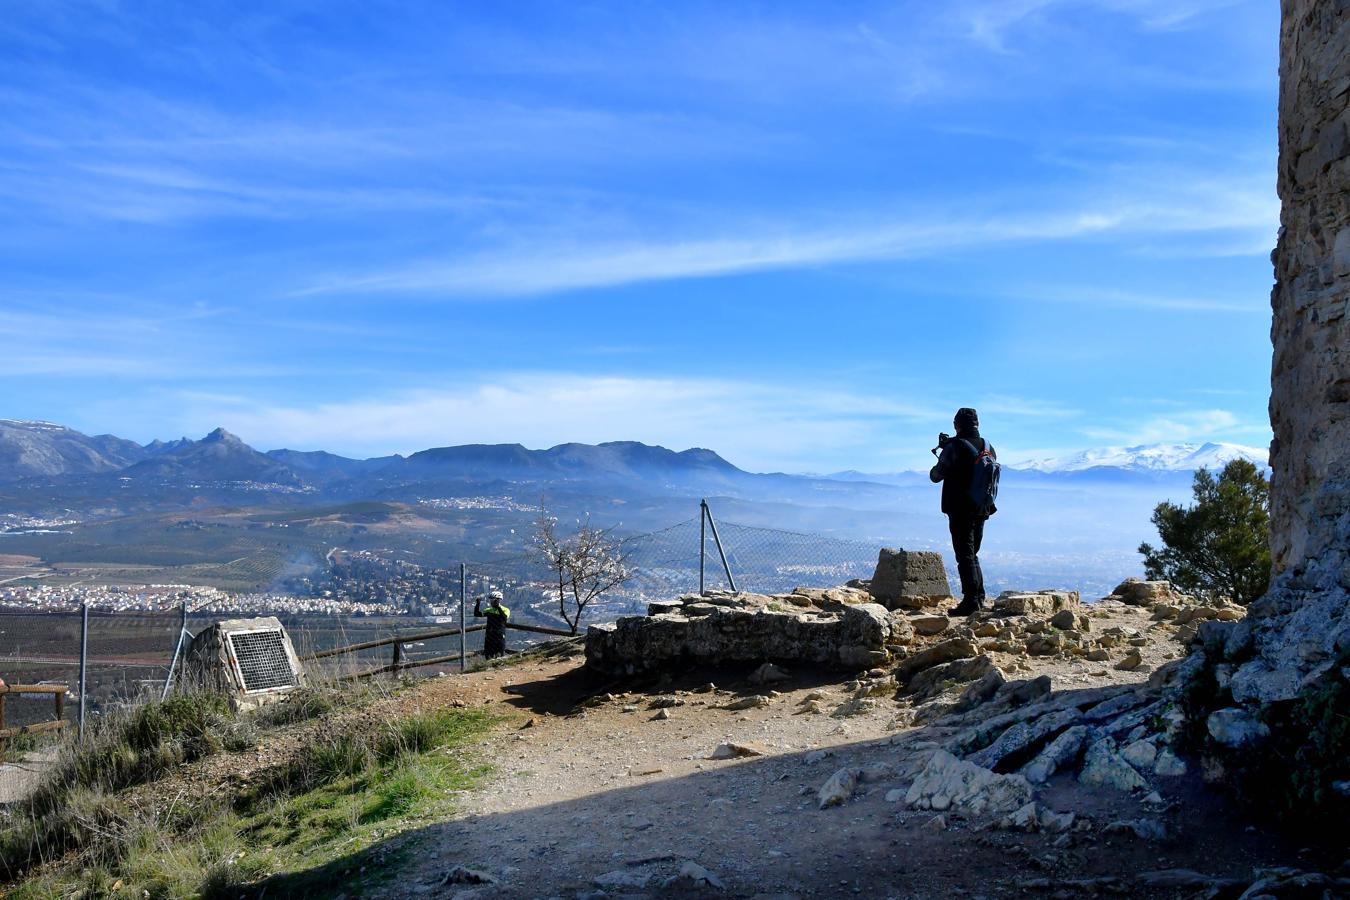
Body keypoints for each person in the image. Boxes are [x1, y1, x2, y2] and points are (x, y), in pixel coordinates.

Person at [929, 407, 996, 617]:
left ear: (957, 425)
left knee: (964, 554)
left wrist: (943, 451)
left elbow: (935, 475)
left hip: (960, 508)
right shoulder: (988, 446)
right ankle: (979, 597)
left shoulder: (955, 446)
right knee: (972, 553)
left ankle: (970, 601)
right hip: (982, 506)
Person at [474, 589, 511, 658]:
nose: (491, 602)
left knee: (500, 654)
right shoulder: (489, 610)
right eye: (490, 600)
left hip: (499, 635)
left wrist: (498, 607)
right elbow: (477, 614)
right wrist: (478, 604)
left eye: (493, 600)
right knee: (488, 655)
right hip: (489, 635)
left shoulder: (505, 609)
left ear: (499, 600)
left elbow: (504, 618)